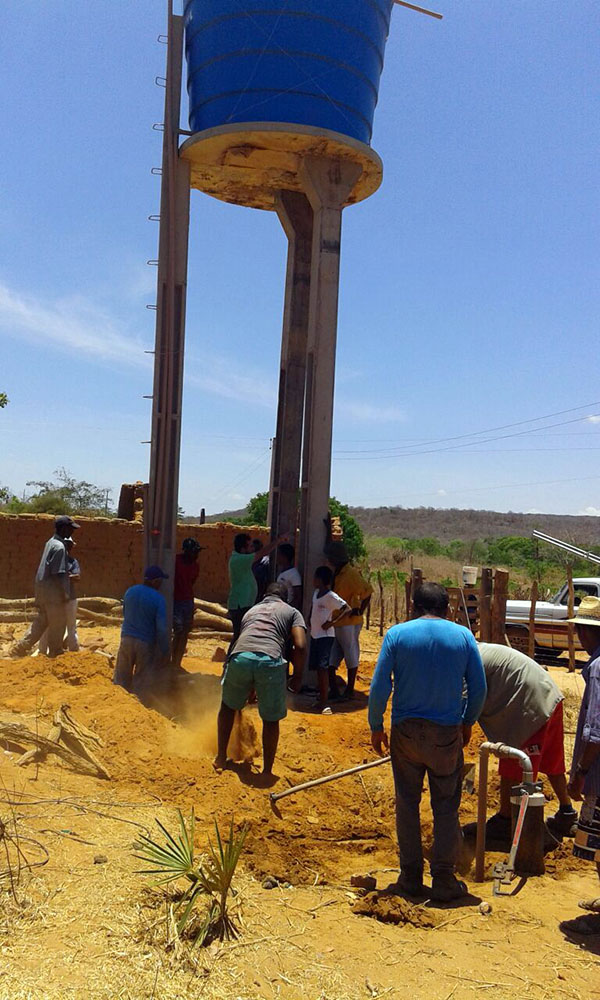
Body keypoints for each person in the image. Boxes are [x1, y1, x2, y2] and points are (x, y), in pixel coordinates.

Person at [368, 582, 487, 901]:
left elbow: (380, 685)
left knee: (407, 803)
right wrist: (467, 720)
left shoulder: (397, 635)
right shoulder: (463, 637)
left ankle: (409, 878)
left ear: (413, 606)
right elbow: (478, 689)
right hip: (446, 733)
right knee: (446, 804)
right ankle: (444, 880)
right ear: (447, 609)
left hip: (406, 732)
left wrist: (376, 724)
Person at [464, 642, 576, 845]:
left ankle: (507, 821)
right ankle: (567, 812)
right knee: (552, 760)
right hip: (548, 696)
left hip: (528, 705)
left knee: (515, 762)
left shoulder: (466, 663)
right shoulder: (477, 651)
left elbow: (464, 709)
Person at [215, 582, 307, 783]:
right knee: (270, 719)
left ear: (265, 595)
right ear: (285, 598)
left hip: (240, 658)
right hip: (270, 661)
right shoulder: (292, 612)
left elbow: (245, 643)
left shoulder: (252, 610)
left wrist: (249, 684)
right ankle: (267, 771)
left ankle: (221, 757)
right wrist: (298, 676)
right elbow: (300, 645)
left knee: (228, 707)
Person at [559, 597, 600, 936]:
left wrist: (581, 774)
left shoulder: (599, 668)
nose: (578, 637)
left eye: (580, 630)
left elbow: (595, 731)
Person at [10, 515, 80, 658]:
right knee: (58, 623)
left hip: (43, 591)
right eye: (70, 529)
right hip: (53, 594)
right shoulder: (60, 547)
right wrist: (65, 595)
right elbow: (59, 574)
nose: (72, 532)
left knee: (42, 622)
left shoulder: (50, 542)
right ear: (63, 529)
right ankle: (55, 652)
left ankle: (20, 647)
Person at [325, 541, 373, 700]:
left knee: (350, 653)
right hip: (336, 622)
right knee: (332, 656)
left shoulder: (350, 574)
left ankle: (350, 690)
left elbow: (368, 592)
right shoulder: (337, 573)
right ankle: (334, 689)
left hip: (349, 622)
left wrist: (360, 610)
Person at [113, 566, 170, 693]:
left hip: (126, 638)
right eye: (160, 580)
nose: (161, 584)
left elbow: (125, 613)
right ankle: (139, 706)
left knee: (121, 678)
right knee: (141, 681)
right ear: (155, 581)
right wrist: (165, 650)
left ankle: (118, 704)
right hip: (144, 643)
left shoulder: (130, 591)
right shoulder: (159, 599)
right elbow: (161, 628)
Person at [227, 532, 287, 651]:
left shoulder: (239, 559)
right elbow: (262, 553)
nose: (252, 549)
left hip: (244, 603)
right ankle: (230, 663)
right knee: (240, 636)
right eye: (249, 546)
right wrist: (278, 540)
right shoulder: (240, 559)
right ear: (243, 549)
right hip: (240, 604)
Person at [308, 566, 350, 713]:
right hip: (315, 634)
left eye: (315, 577)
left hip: (325, 637)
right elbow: (313, 608)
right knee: (318, 668)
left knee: (323, 667)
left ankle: (325, 703)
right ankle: (321, 698)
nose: (313, 580)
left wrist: (332, 622)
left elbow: (347, 608)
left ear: (320, 579)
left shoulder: (330, 596)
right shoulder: (316, 593)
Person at [39, 538, 80, 654]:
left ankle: (73, 650)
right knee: (47, 624)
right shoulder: (52, 562)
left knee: (71, 626)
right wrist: (66, 577)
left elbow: (77, 577)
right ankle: (41, 651)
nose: (68, 547)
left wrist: (61, 577)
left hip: (70, 598)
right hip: (54, 599)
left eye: (69, 545)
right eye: (66, 545)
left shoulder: (72, 561)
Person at [172, 537, 204, 670]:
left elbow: (192, 582)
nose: (196, 554)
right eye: (194, 551)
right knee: (178, 631)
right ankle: (170, 660)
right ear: (187, 551)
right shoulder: (175, 561)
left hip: (187, 601)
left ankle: (176, 663)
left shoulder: (195, 566)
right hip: (175, 601)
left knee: (185, 632)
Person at [276, 543, 302, 609]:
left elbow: (297, 597)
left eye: (279, 554)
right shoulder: (282, 572)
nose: (277, 557)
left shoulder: (294, 574)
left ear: (284, 556)